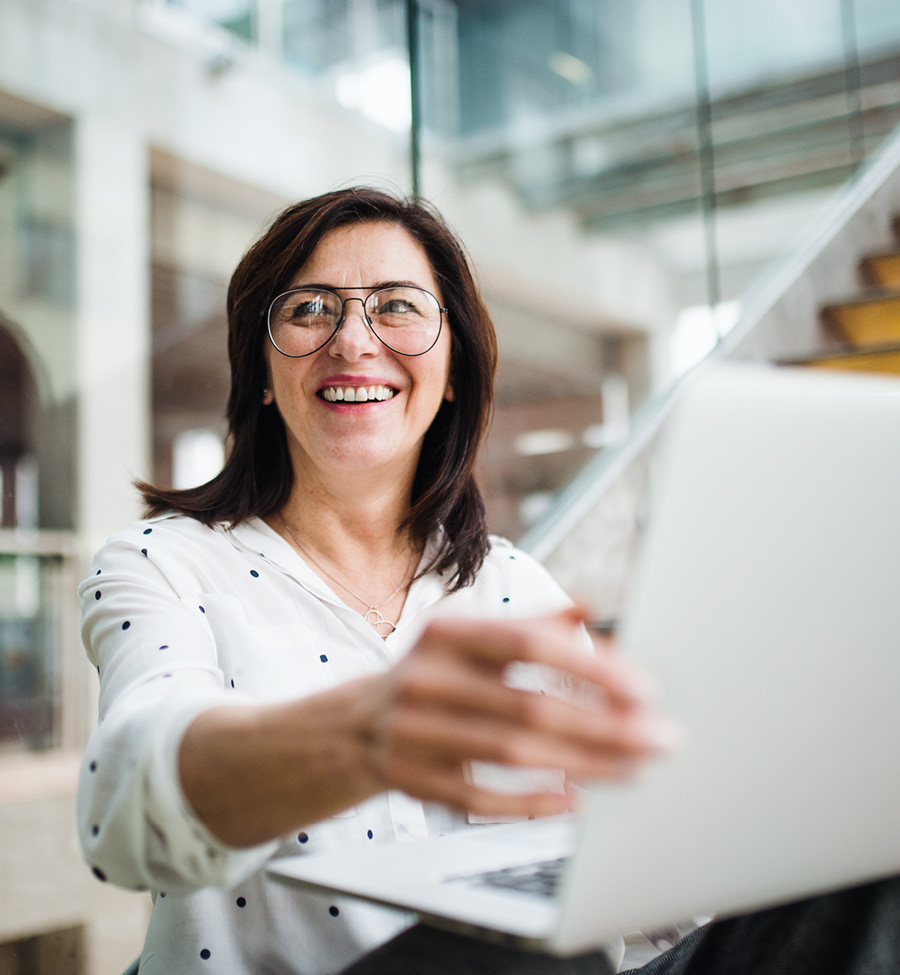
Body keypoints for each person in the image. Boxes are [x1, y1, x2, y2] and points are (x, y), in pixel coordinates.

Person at [77, 187, 675, 975]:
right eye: (310, 308)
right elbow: (128, 806)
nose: (353, 341)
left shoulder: (515, 584)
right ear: (260, 371)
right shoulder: (165, 563)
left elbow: (626, 856)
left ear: (453, 367)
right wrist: (361, 735)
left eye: (396, 306)